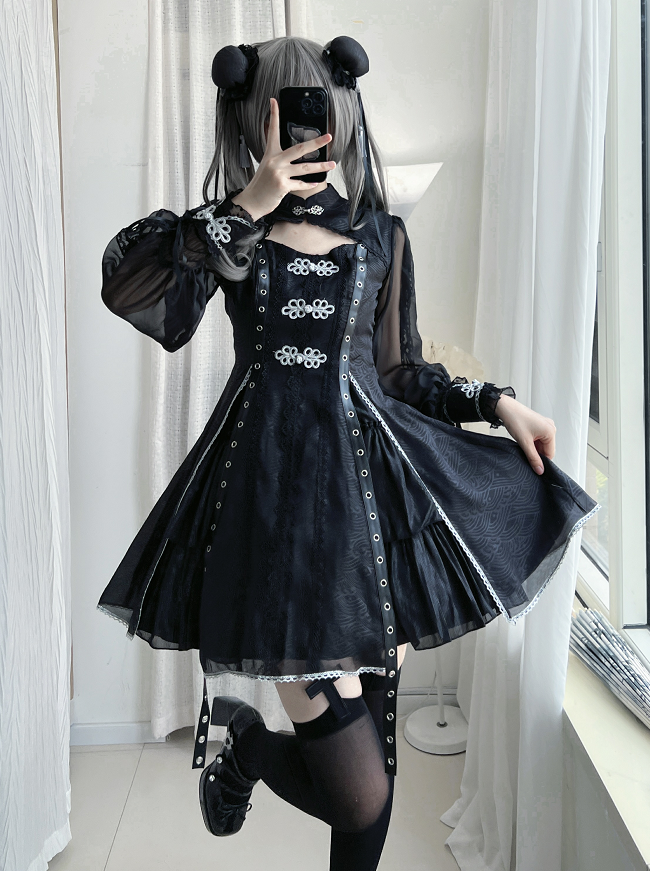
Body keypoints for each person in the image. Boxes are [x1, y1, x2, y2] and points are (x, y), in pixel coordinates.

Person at [96, 35, 599, 871]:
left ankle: (247, 746)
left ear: (342, 110)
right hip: (268, 524)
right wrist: (249, 202)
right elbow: (134, 288)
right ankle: (250, 747)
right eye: (288, 113)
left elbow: (398, 374)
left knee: (370, 790)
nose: (309, 128)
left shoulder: (380, 237)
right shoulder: (231, 235)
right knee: (360, 796)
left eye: (319, 109)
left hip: (372, 522)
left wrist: (495, 402)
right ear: (252, 121)